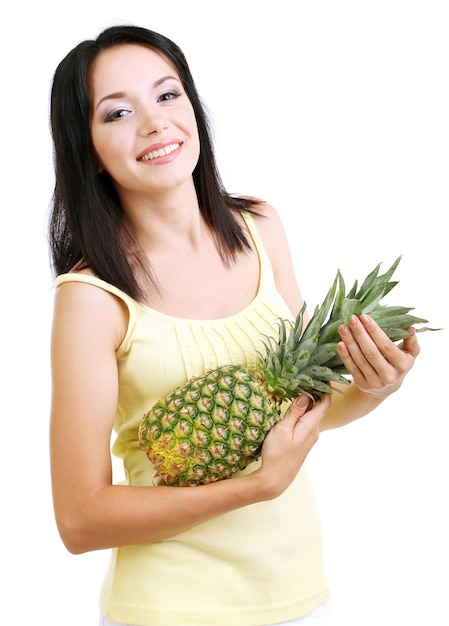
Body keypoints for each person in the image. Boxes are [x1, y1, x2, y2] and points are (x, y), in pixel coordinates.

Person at [48, 25, 419, 626]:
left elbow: (309, 408)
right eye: (118, 112)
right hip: (170, 610)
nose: (154, 123)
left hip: (300, 594)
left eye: (168, 96)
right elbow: (79, 519)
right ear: (87, 148)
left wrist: (376, 386)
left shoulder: (261, 227)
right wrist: (256, 485)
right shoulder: (92, 298)